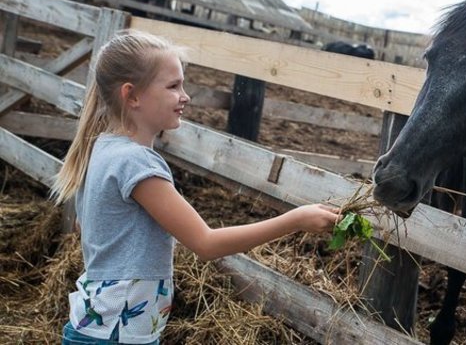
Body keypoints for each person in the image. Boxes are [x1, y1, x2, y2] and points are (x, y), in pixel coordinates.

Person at [51, 30, 340, 344]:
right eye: (173, 86)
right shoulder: (136, 164)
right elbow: (205, 243)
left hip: (100, 326)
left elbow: (87, 226)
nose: (185, 96)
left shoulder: (103, 150)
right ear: (132, 96)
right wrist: (295, 220)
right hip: (115, 334)